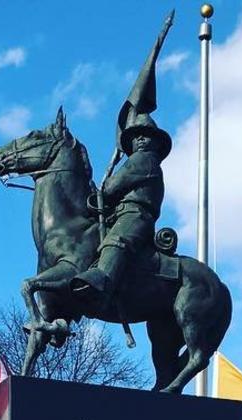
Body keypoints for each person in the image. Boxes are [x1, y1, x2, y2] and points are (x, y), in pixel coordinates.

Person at [70, 114, 172, 303]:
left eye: (146, 135)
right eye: (136, 136)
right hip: (120, 214)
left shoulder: (144, 160)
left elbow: (111, 188)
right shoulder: (139, 160)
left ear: (157, 143)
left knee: (116, 240)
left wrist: (104, 188)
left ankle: (102, 279)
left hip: (135, 214)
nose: (140, 139)